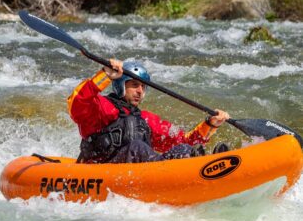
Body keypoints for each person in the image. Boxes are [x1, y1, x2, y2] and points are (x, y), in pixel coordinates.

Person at [67, 59, 230, 163]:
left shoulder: (146, 120)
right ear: (121, 86)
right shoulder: (102, 107)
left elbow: (185, 139)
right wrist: (104, 75)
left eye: (143, 87)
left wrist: (210, 124)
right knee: (137, 147)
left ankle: (207, 162)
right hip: (102, 170)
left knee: (183, 149)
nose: (140, 91)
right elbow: (77, 103)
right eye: (134, 85)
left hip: (136, 175)